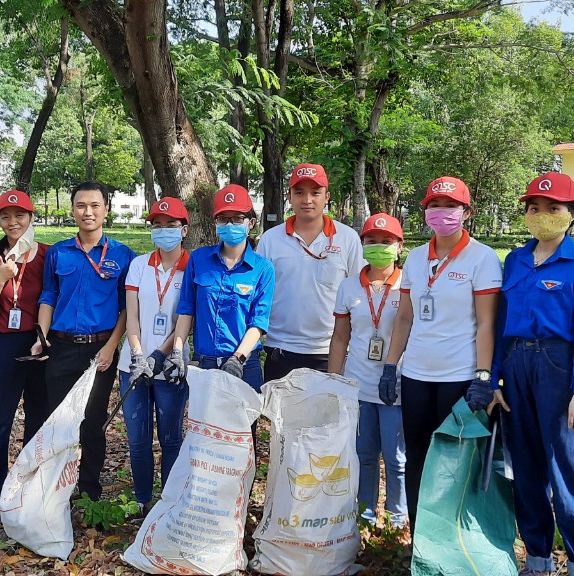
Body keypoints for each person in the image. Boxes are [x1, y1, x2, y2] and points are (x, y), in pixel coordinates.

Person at [492, 172, 574, 576]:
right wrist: (495, 381)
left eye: (553, 208)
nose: (542, 215)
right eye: (534, 208)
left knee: (567, 472)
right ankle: (537, 560)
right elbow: (502, 322)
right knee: (525, 468)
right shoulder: (515, 260)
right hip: (517, 367)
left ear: (571, 214)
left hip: (559, 368)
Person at [378, 176, 502, 531]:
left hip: (459, 376)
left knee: (453, 460)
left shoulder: (482, 258)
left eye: (450, 206)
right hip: (416, 374)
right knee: (417, 457)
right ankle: (421, 538)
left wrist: (483, 376)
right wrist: (391, 367)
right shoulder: (416, 259)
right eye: (434, 205)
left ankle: (450, 538)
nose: (441, 212)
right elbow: (404, 317)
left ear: (466, 212)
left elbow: (486, 324)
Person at [34, 181, 135, 501]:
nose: (87, 212)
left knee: (92, 422)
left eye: (94, 205)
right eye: (80, 205)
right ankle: (53, 490)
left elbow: (126, 308)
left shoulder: (123, 255)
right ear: (73, 209)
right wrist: (41, 338)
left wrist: (111, 347)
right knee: (58, 420)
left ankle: (89, 490)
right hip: (60, 347)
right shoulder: (58, 253)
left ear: (106, 209)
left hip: (99, 349)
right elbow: (49, 295)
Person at [0, 190, 48, 524]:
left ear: (31, 218)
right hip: (5, 344)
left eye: (20, 215)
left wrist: (45, 340)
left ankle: (29, 490)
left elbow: (53, 299)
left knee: (38, 420)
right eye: (5, 216)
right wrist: (0, 280)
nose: (13, 222)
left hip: (39, 345)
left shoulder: (46, 255)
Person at [327, 213, 407, 528]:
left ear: (399, 246)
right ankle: (365, 515)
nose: (378, 247)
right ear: (362, 245)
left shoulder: (408, 285)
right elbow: (340, 337)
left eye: (386, 242)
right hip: (359, 385)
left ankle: (398, 519)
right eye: (371, 241)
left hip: (396, 386)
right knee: (364, 454)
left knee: (397, 458)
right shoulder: (348, 287)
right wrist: (333, 383)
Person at [257, 163, 365, 381]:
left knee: (326, 415)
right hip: (281, 348)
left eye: (315, 193)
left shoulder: (347, 238)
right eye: (299, 193)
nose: (307, 200)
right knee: (280, 415)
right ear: (289, 196)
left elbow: (358, 292)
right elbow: (259, 293)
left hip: (330, 349)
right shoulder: (271, 239)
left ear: (327, 197)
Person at [117, 197, 191, 512]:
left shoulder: (193, 268)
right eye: (157, 226)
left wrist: (158, 356)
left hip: (171, 365)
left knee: (171, 438)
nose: (164, 232)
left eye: (171, 226)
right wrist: (137, 353)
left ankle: (169, 502)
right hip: (133, 365)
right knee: (138, 439)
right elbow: (131, 315)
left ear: (184, 229)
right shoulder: (138, 265)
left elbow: (187, 318)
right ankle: (143, 501)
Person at [172, 184, 275, 391]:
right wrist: (177, 350)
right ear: (216, 223)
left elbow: (259, 322)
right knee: (204, 423)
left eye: (237, 218)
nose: (230, 224)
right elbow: (186, 309)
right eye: (223, 219)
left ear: (251, 223)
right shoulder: (199, 260)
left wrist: (237, 359)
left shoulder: (263, 269)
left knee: (243, 424)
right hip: (205, 363)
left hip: (244, 364)